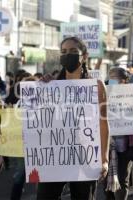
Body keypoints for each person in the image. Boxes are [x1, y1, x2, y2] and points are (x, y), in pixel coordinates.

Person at [36, 37, 110, 200]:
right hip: (55, 155)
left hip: (86, 155)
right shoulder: (51, 84)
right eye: (63, 52)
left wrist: (104, 159)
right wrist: (40, 88)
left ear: (84, 56)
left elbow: (103, 123)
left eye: (73, 51)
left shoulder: (96, 86)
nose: (67, 55)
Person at [105, 67, 133, 200]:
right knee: (106, 180)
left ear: (124, 81)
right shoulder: (104, 94)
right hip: (106, 146)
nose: (112, 80)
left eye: (115, 77)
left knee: (122, 179)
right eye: (110, 76)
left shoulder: (132, 97)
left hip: (124, 147)